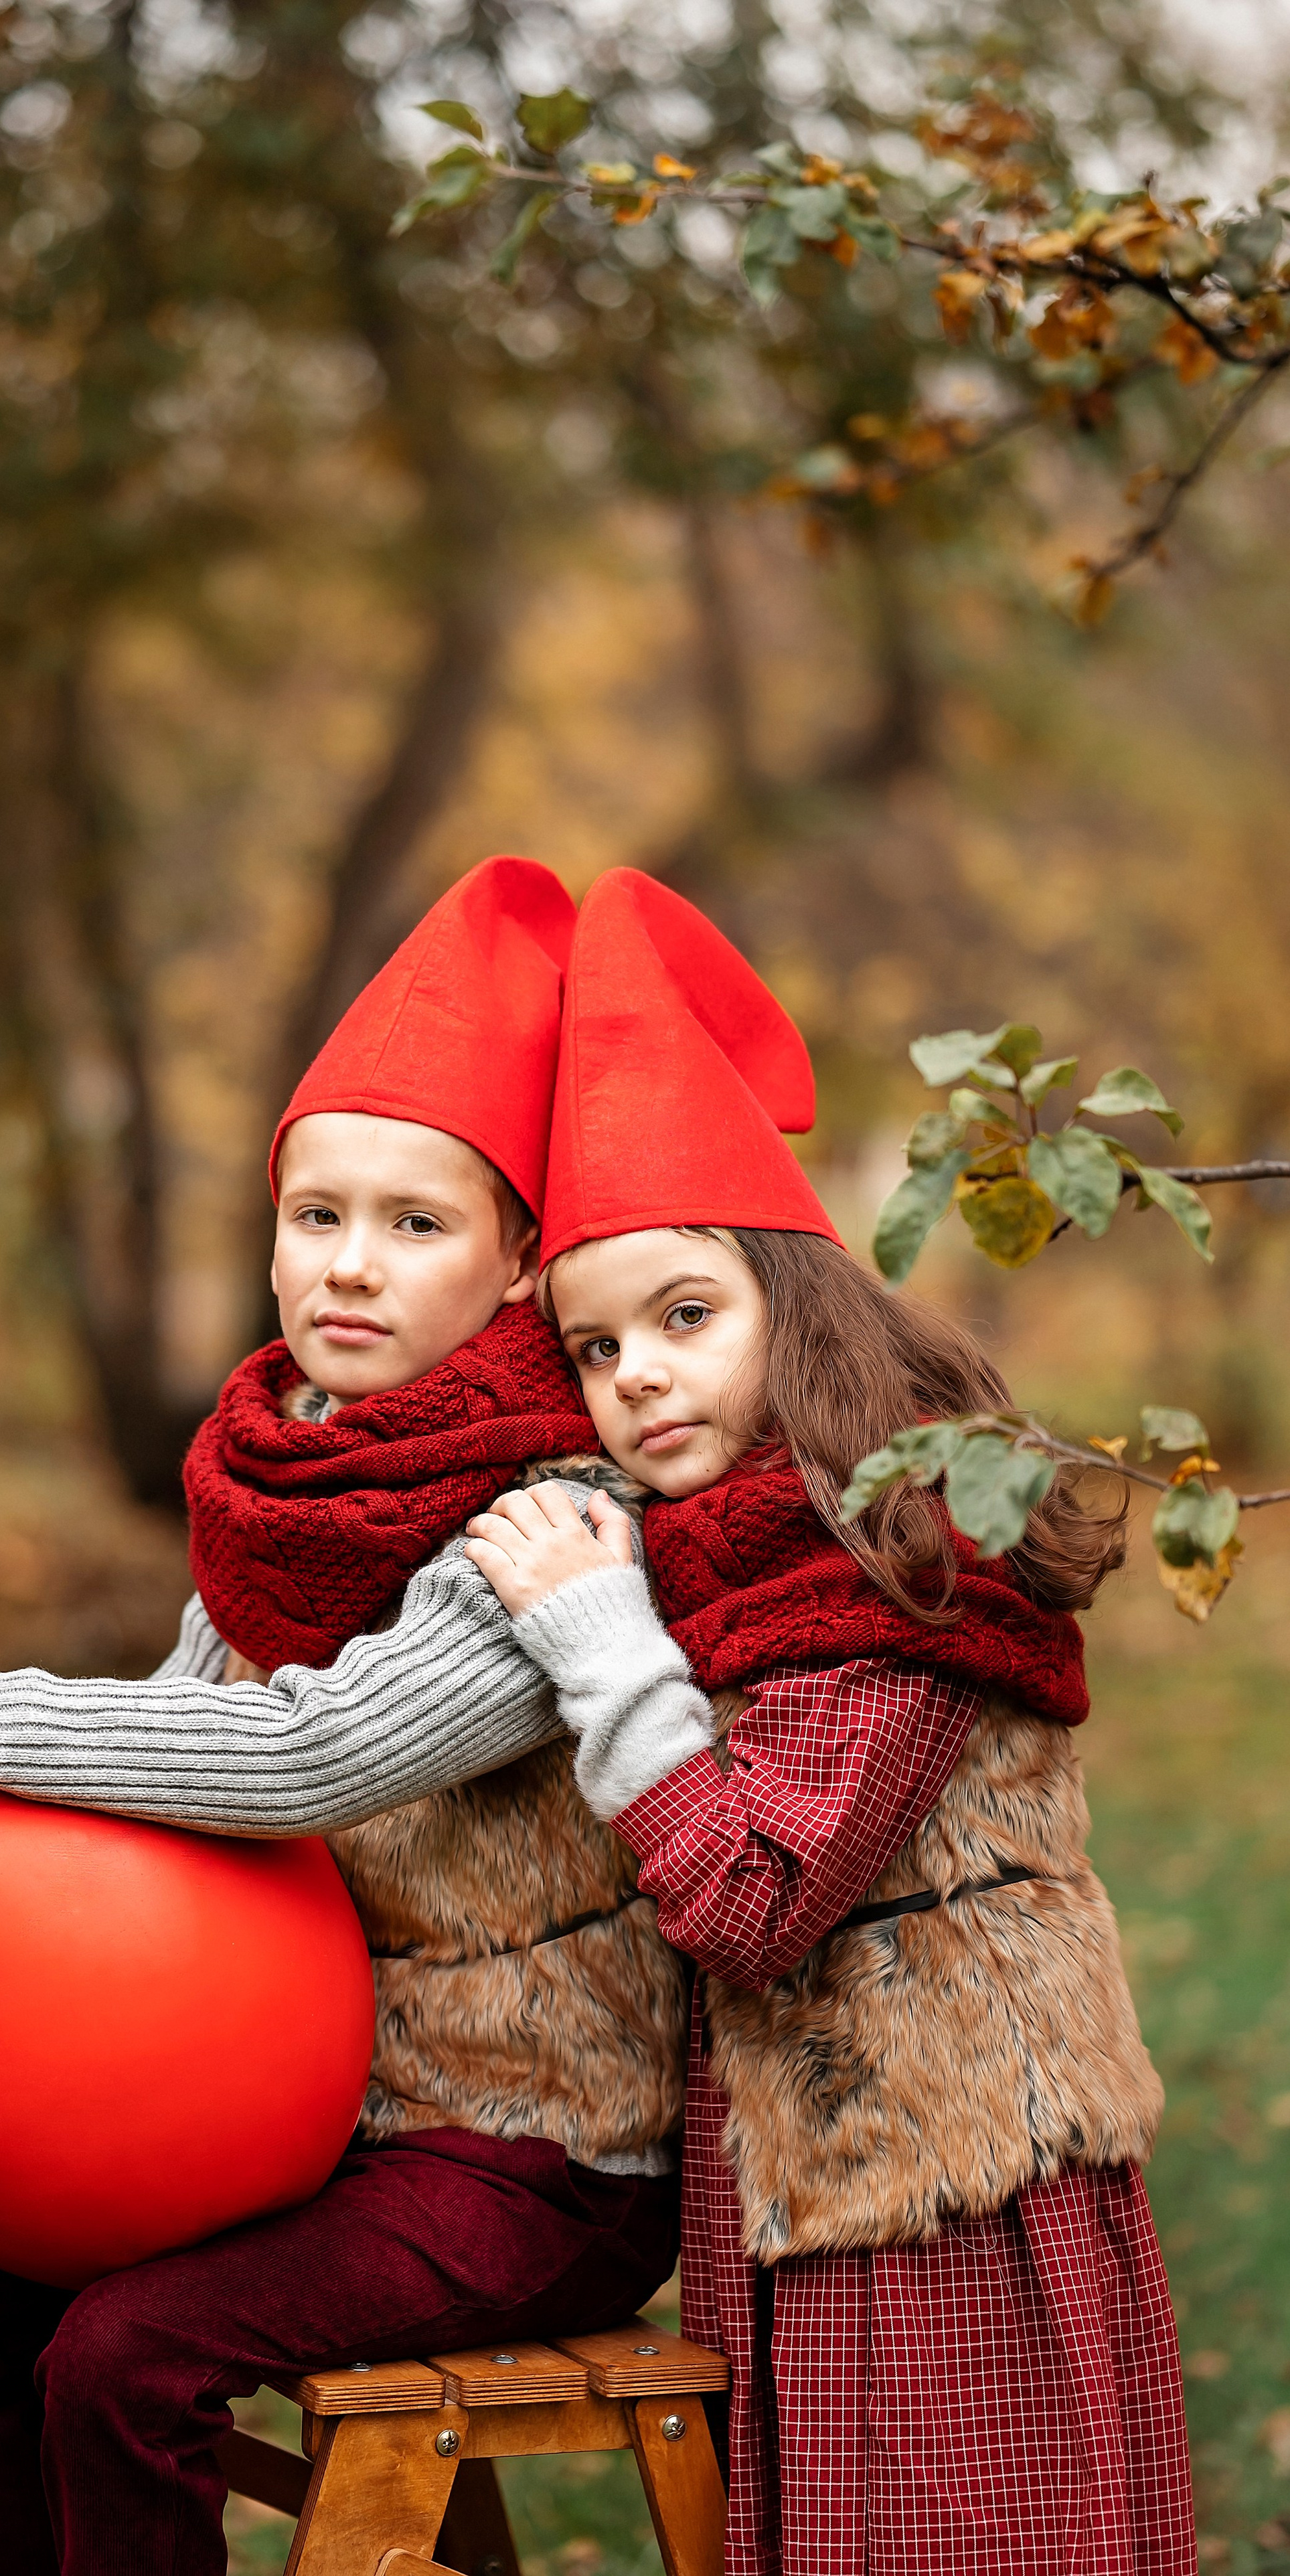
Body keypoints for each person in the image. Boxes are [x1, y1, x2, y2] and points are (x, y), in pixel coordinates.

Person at [0, 856, 687, 2576]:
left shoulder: (549, 1514)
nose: (348, 1266)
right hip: (296, 2120)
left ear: (520, 1268)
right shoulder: (281, 1484)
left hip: (527, 2154)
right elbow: (164, 1758)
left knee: (127, 2357)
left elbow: (308, 1755)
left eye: (416, 1224)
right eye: (316, 1216)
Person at [462, 867, 1196, 2576]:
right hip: (804, 2196)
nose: (632, 1371)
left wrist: (595, 1637)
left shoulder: (893, 1567)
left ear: (800, 1309)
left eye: (683, 1316)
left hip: (955, 2205)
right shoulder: (727, 1556)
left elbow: (748, 1894)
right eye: (591, 1345)